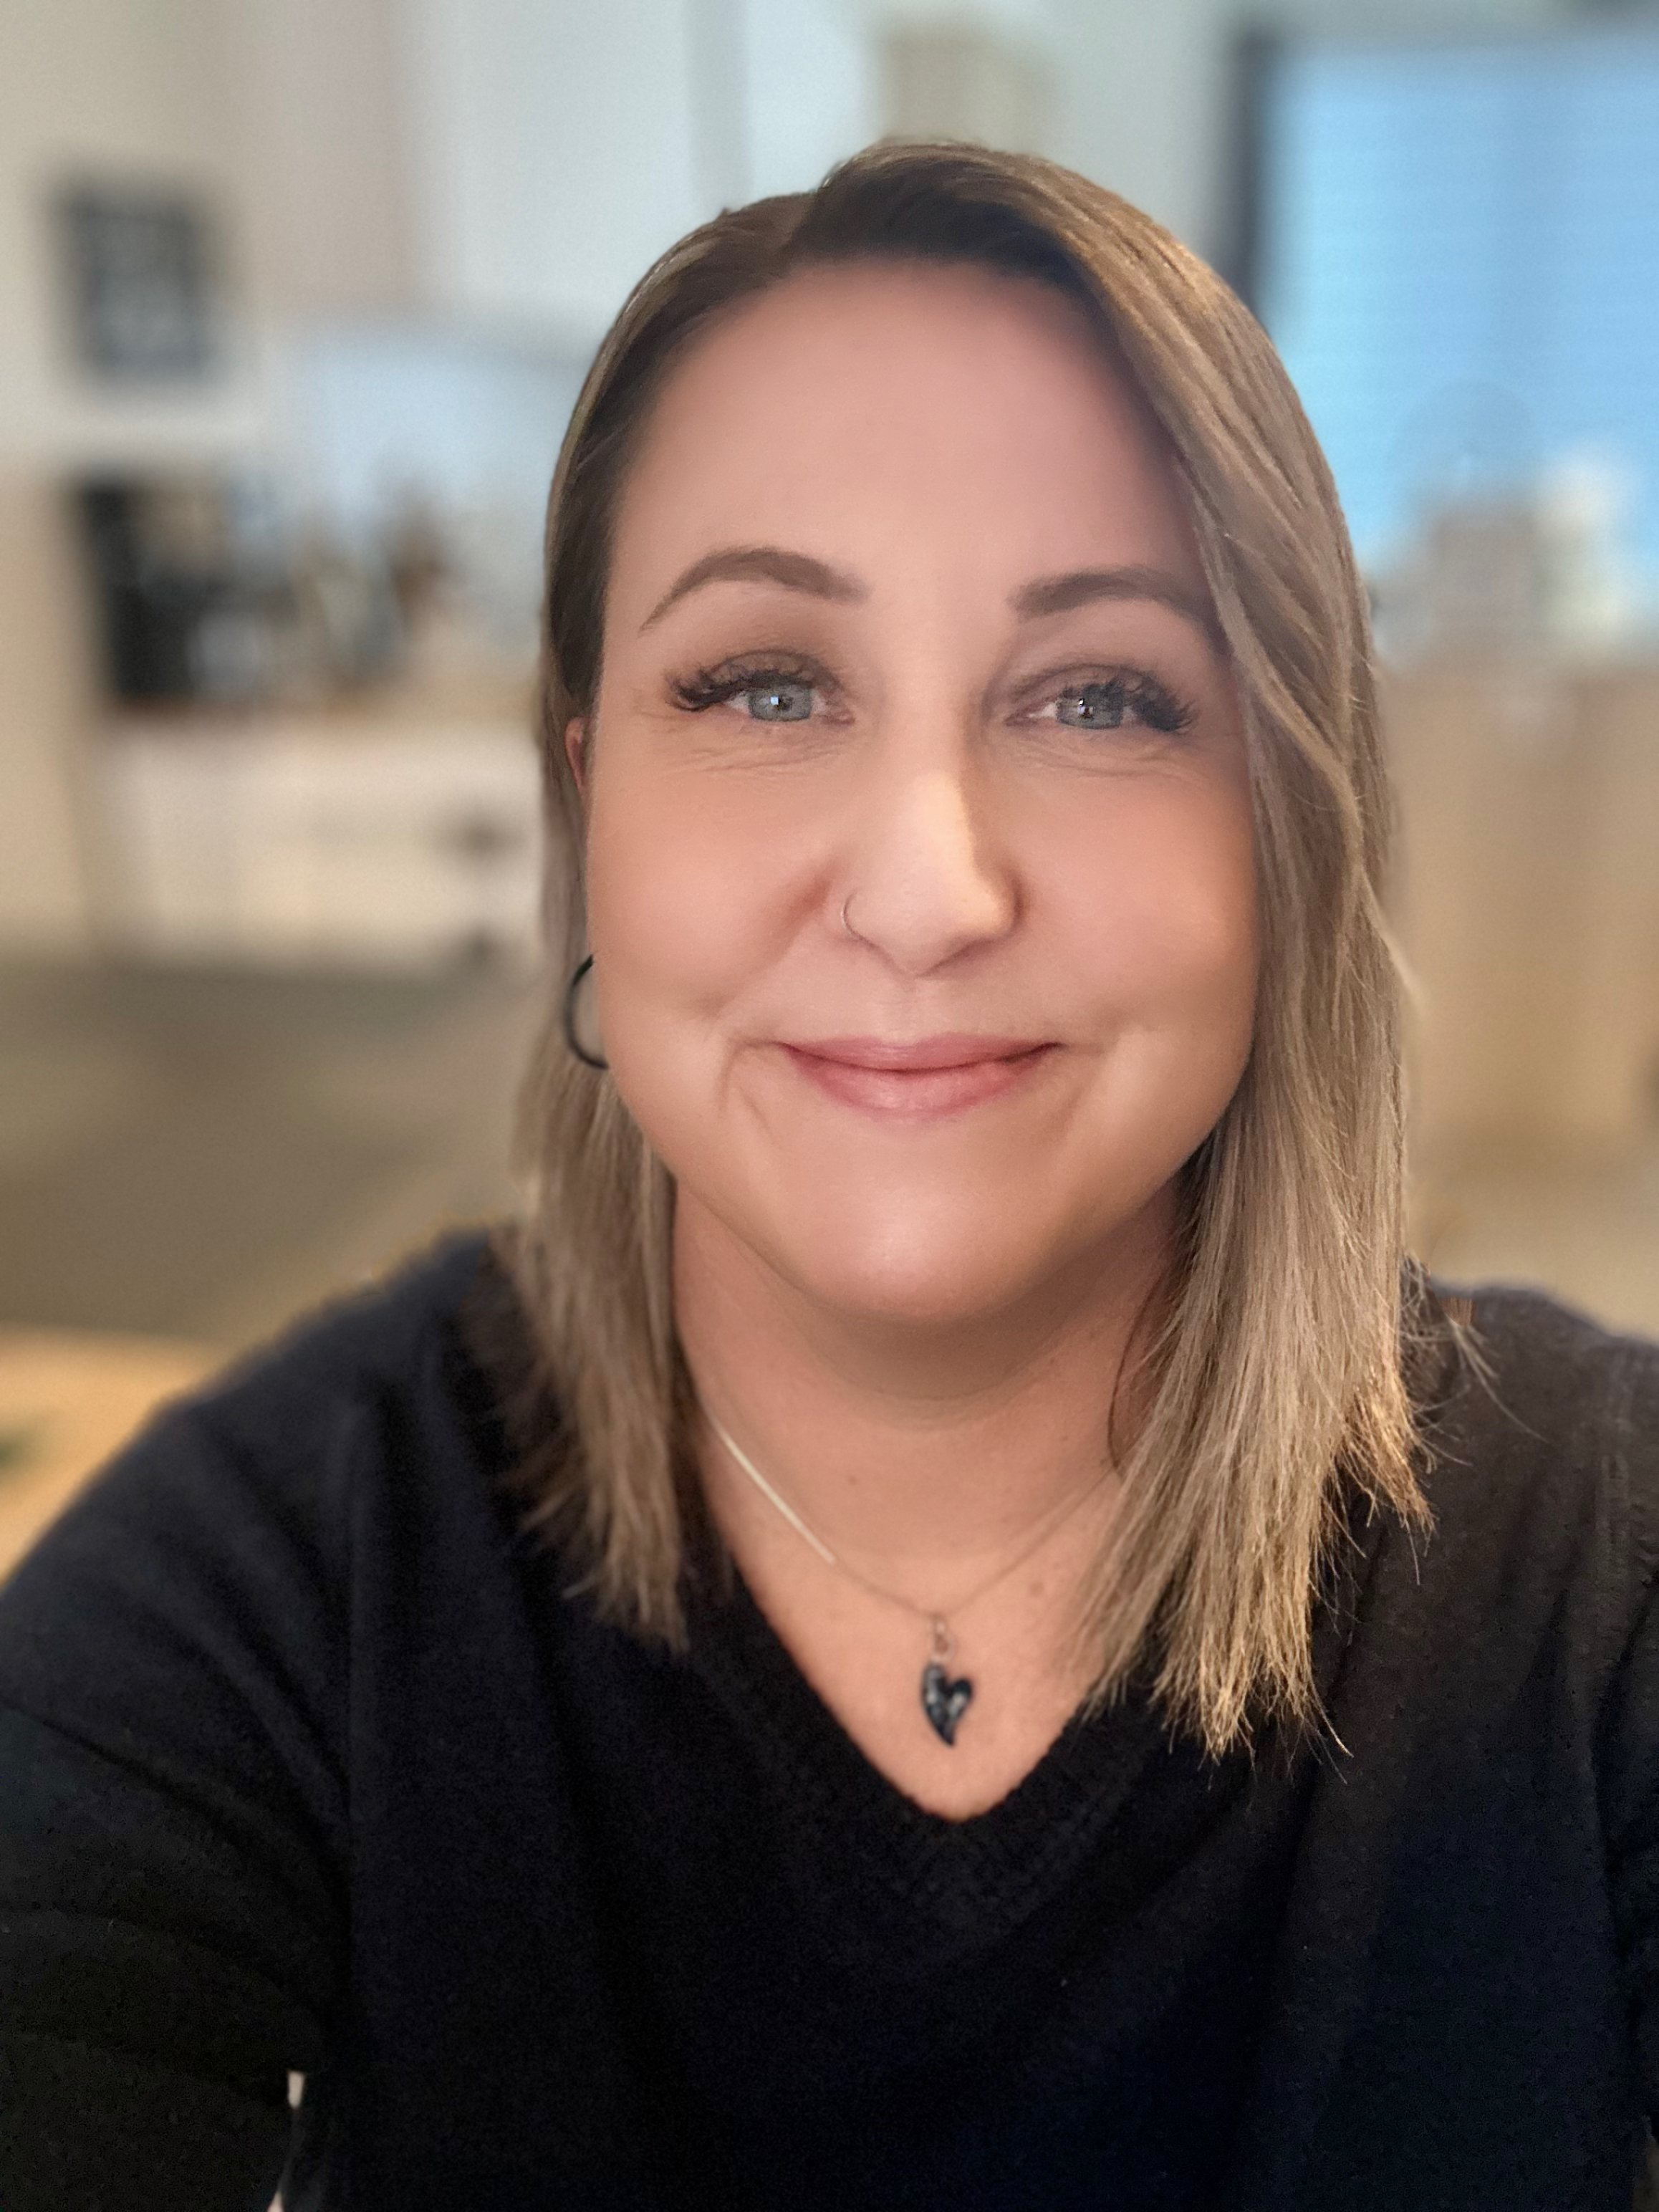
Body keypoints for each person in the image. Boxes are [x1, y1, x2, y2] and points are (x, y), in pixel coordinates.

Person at [1, 139, 1656, 2212]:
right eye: (764, 684)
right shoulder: (277, 1576)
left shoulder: (1596, 1578)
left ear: (1286, 834)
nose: (926, 888)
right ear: (589, 796)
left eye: (1105, 695)